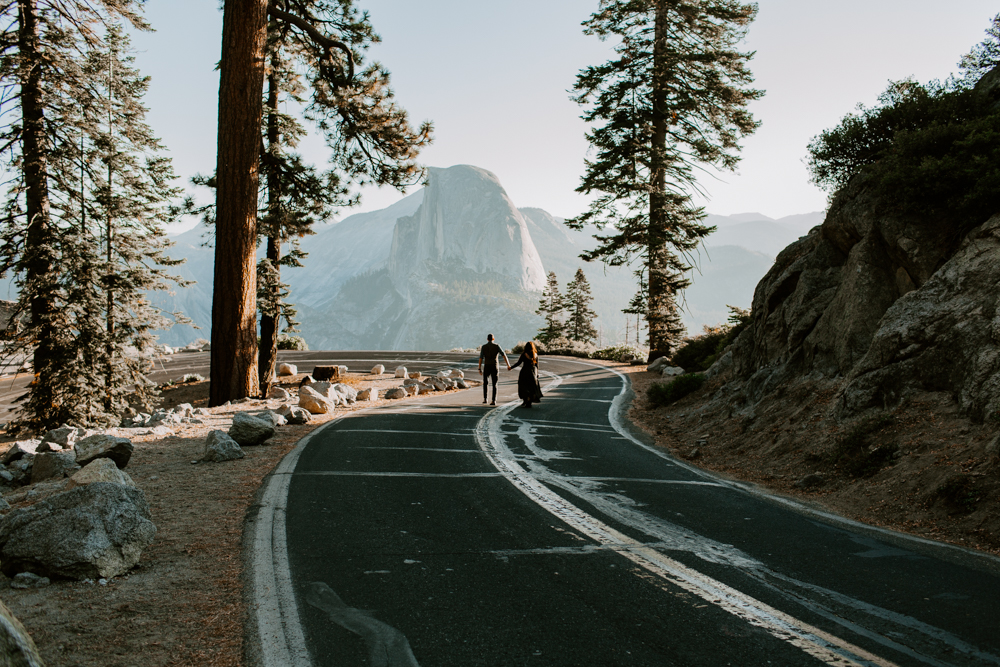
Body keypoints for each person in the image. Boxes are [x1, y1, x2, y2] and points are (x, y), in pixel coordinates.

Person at [478, 333, 510, 406]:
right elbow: (504, 355)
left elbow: (481, 358)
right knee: (494, 384)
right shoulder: (496, 346)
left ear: (487, 339)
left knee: (485, 382)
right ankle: (493, 400)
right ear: (493, 339)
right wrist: (508, 365)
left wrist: (479, 368)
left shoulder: (484, 347)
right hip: (494, 366)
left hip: (487, 366)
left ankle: (485, 399)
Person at [510, 341, 543, 408]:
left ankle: (525, 400)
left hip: (525, 372)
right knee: (531, 387)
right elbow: (537, 366)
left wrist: (511, 367)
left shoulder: (524, 354)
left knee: (523, 387)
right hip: (532, 373)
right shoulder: (535, 355)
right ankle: (529, 402)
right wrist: (536, 374)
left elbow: (518, 363)